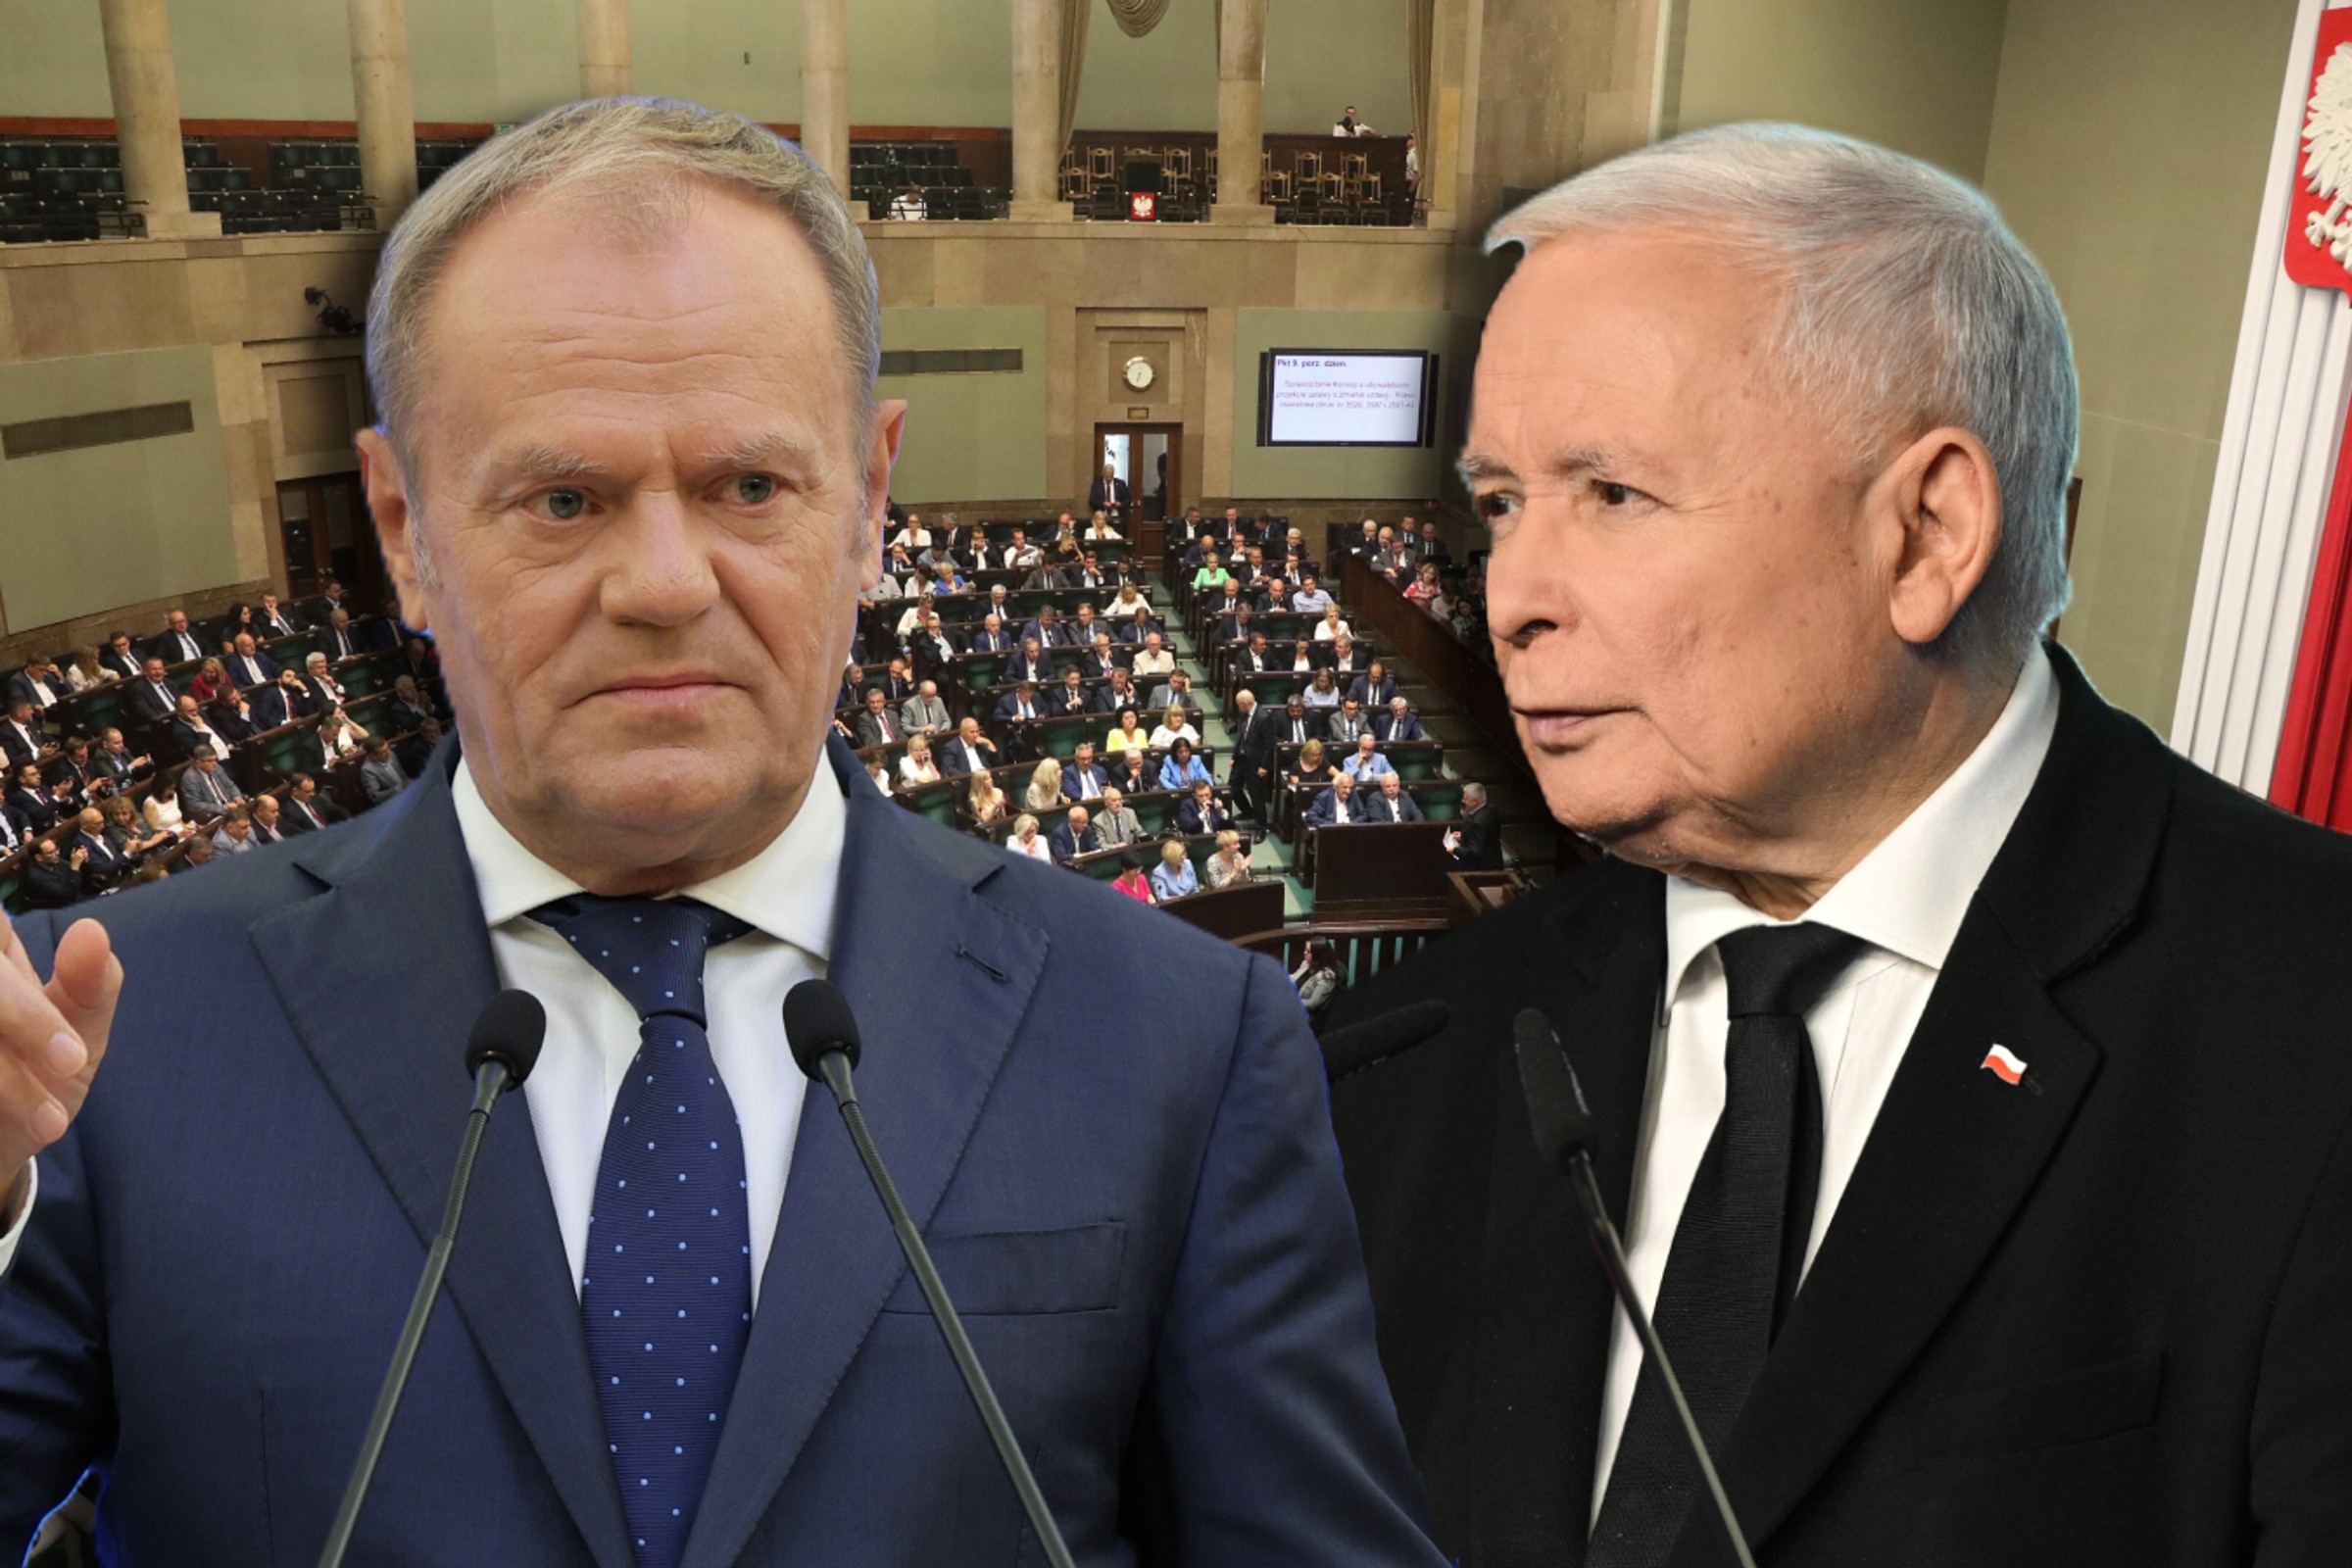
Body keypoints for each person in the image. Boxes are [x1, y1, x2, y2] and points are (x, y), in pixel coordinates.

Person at [0, 99, 1441, 1568]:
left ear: (868, 501)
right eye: (565, 499)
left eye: (748, 487)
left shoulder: (1183, 1042)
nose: (665, 584)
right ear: (401, 529)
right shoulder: (95, 1040)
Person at [1318, 122, 2352, 1568]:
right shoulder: (1404, 1054)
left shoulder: (2311, 1027)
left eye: (1612, 494)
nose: (1511, 598)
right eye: (1501, 504)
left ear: (1926, 534)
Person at [1443, 779, 1500, 869]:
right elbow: (1485, 837)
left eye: (1466, 799)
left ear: (1475, 801)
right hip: (1494, 861)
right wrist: (1464, 835)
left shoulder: (1477, 823)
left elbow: (1475, 851)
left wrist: (1454, 850)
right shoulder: (1491, 810)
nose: (1463, 801)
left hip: (1481, 868)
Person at [276, 772, 348, 835]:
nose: (312, 794)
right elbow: (301, 835)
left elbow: (338, 809)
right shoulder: (288, 811)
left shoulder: (315, 798)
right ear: (295, 791)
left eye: (313, 790)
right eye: (308, 791)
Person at [357, 736, 407, 806]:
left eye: (387, 748)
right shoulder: (367, 770)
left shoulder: (390, 753)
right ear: (372, 756)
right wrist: (399, 788)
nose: (388, 753)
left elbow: (402, 773)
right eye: (383, 752)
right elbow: (375, 797)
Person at [1149, 837, 1198, 901]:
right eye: (1180, 856)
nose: (1184, 857)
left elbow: (1195, 889)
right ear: (1172, 859)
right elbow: (1162, 898)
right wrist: (1182, 899)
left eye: (1183, 853)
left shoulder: (1187, 863)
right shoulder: (1159, 872)